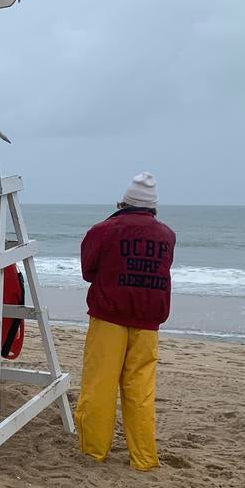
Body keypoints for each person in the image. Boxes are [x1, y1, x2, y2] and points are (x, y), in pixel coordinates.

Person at [75, 172, 176, 471]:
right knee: (141, 390)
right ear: (153, 206)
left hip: (109, 317)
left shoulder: (103, 230)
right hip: (148, 321)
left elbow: (88, 270)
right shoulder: (167, 235)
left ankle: (94, 451)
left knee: (99, 387)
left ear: (124, 201)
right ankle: (144, 459)